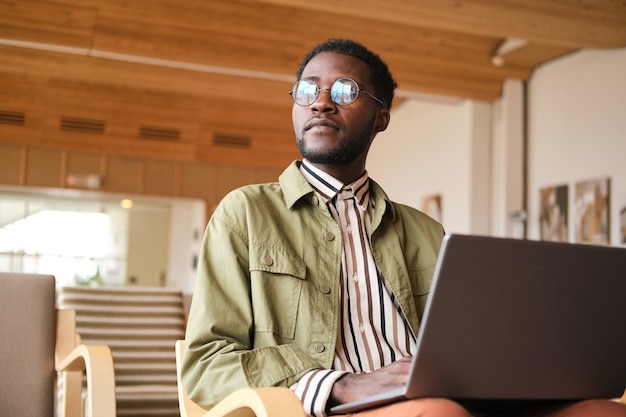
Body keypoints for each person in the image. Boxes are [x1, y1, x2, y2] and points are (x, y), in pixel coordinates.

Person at [182, 38, 626, 417]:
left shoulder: (425, 231)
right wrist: (342, 384)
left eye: (344, 89)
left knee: (603, 410)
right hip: (331, 407)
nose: (320, 101)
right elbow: (206, 365)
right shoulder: (244, 213)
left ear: (381, 117)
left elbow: (465, 343)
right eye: (308, 89)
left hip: (432, 397)